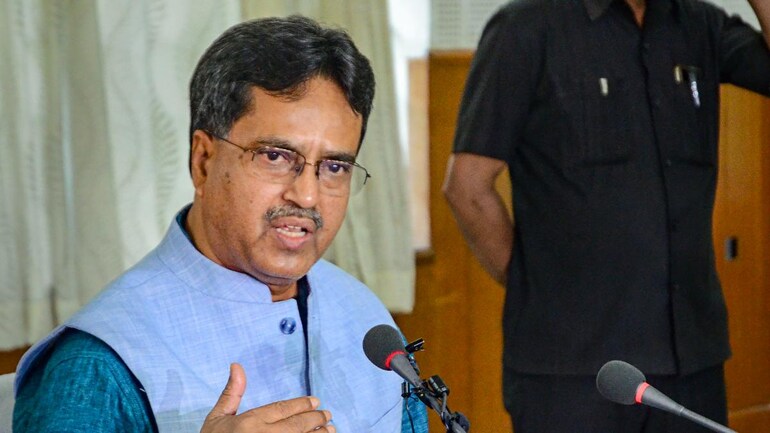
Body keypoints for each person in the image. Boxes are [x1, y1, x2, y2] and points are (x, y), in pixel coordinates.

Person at [13, 16, 427, 433]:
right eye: (275, 156)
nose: (306, 196)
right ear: (203, 161)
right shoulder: (99, 363)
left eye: (335, 166)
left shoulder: (367, 323)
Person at [443, 0, 770, 432]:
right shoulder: (527, 27)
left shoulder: (700, 24)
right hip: (572, 372)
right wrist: (534, 284)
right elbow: (467, 186)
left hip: (690, 363)